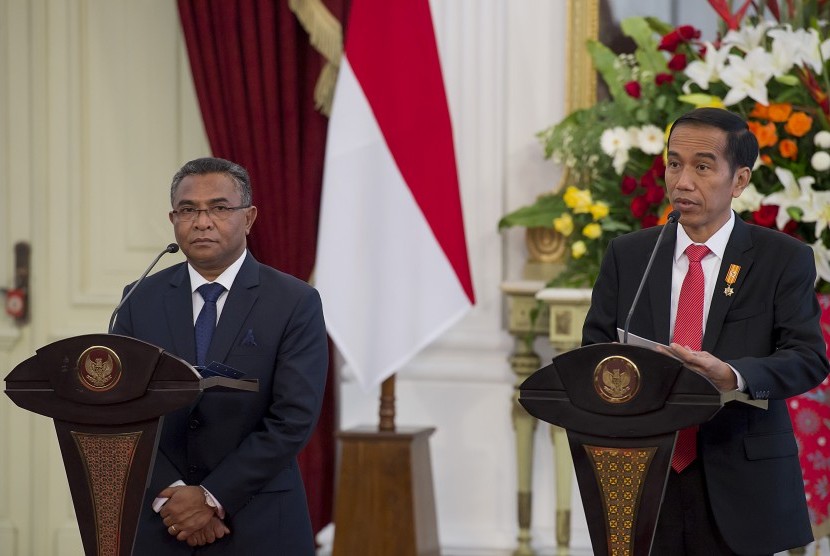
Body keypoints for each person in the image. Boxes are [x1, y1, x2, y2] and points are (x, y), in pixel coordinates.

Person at [582, 107, 830, 555]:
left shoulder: (781, 259)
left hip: (740, 479)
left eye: (702, 166)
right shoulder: (629, 256)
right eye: (674, 164)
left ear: (739, 181)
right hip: (645, 479)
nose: (682, 181)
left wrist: (733, 375)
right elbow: (594, 354)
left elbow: (808, 358)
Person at [112, 157, 328, 554]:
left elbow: (293, 418)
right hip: (162, 518)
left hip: (259, 515)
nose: (202, 221)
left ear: (248, 217)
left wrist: (210, 497)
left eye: (220, 207)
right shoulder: (138, 298)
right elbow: (120, 409)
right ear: (173, 218)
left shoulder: (294, 302)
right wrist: (173, 495)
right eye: (188, 209)